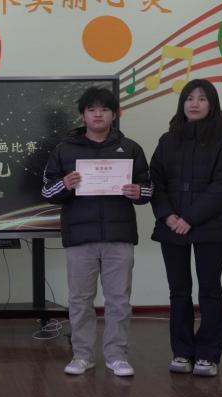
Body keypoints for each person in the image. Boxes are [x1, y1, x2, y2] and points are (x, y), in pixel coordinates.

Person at [42, 86, 152, 377]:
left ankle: (117, 356)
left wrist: (138, 192)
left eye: (104, 109)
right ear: (83, 115)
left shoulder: (130, 148)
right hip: (80, 238)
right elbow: (47, 191)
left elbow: (149, 189)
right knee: (80, 300)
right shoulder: (64, 149)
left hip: (119, 236)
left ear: (115, 114)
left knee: (118, 300)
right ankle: (82, 355)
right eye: (92, 109)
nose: (98, 114)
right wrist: (65, 184)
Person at [150, 79, 222, 377]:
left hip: (210, 226)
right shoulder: (167, 140)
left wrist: (189, 218)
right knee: (179, 291)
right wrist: (168, 216)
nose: (194, 103)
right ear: (182, 104)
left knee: (210, 291)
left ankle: (208, 356)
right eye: (189, 98)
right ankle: (182, 352)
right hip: (171, 226)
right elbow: (156, 182)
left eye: (201, 98)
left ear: (211, 104)